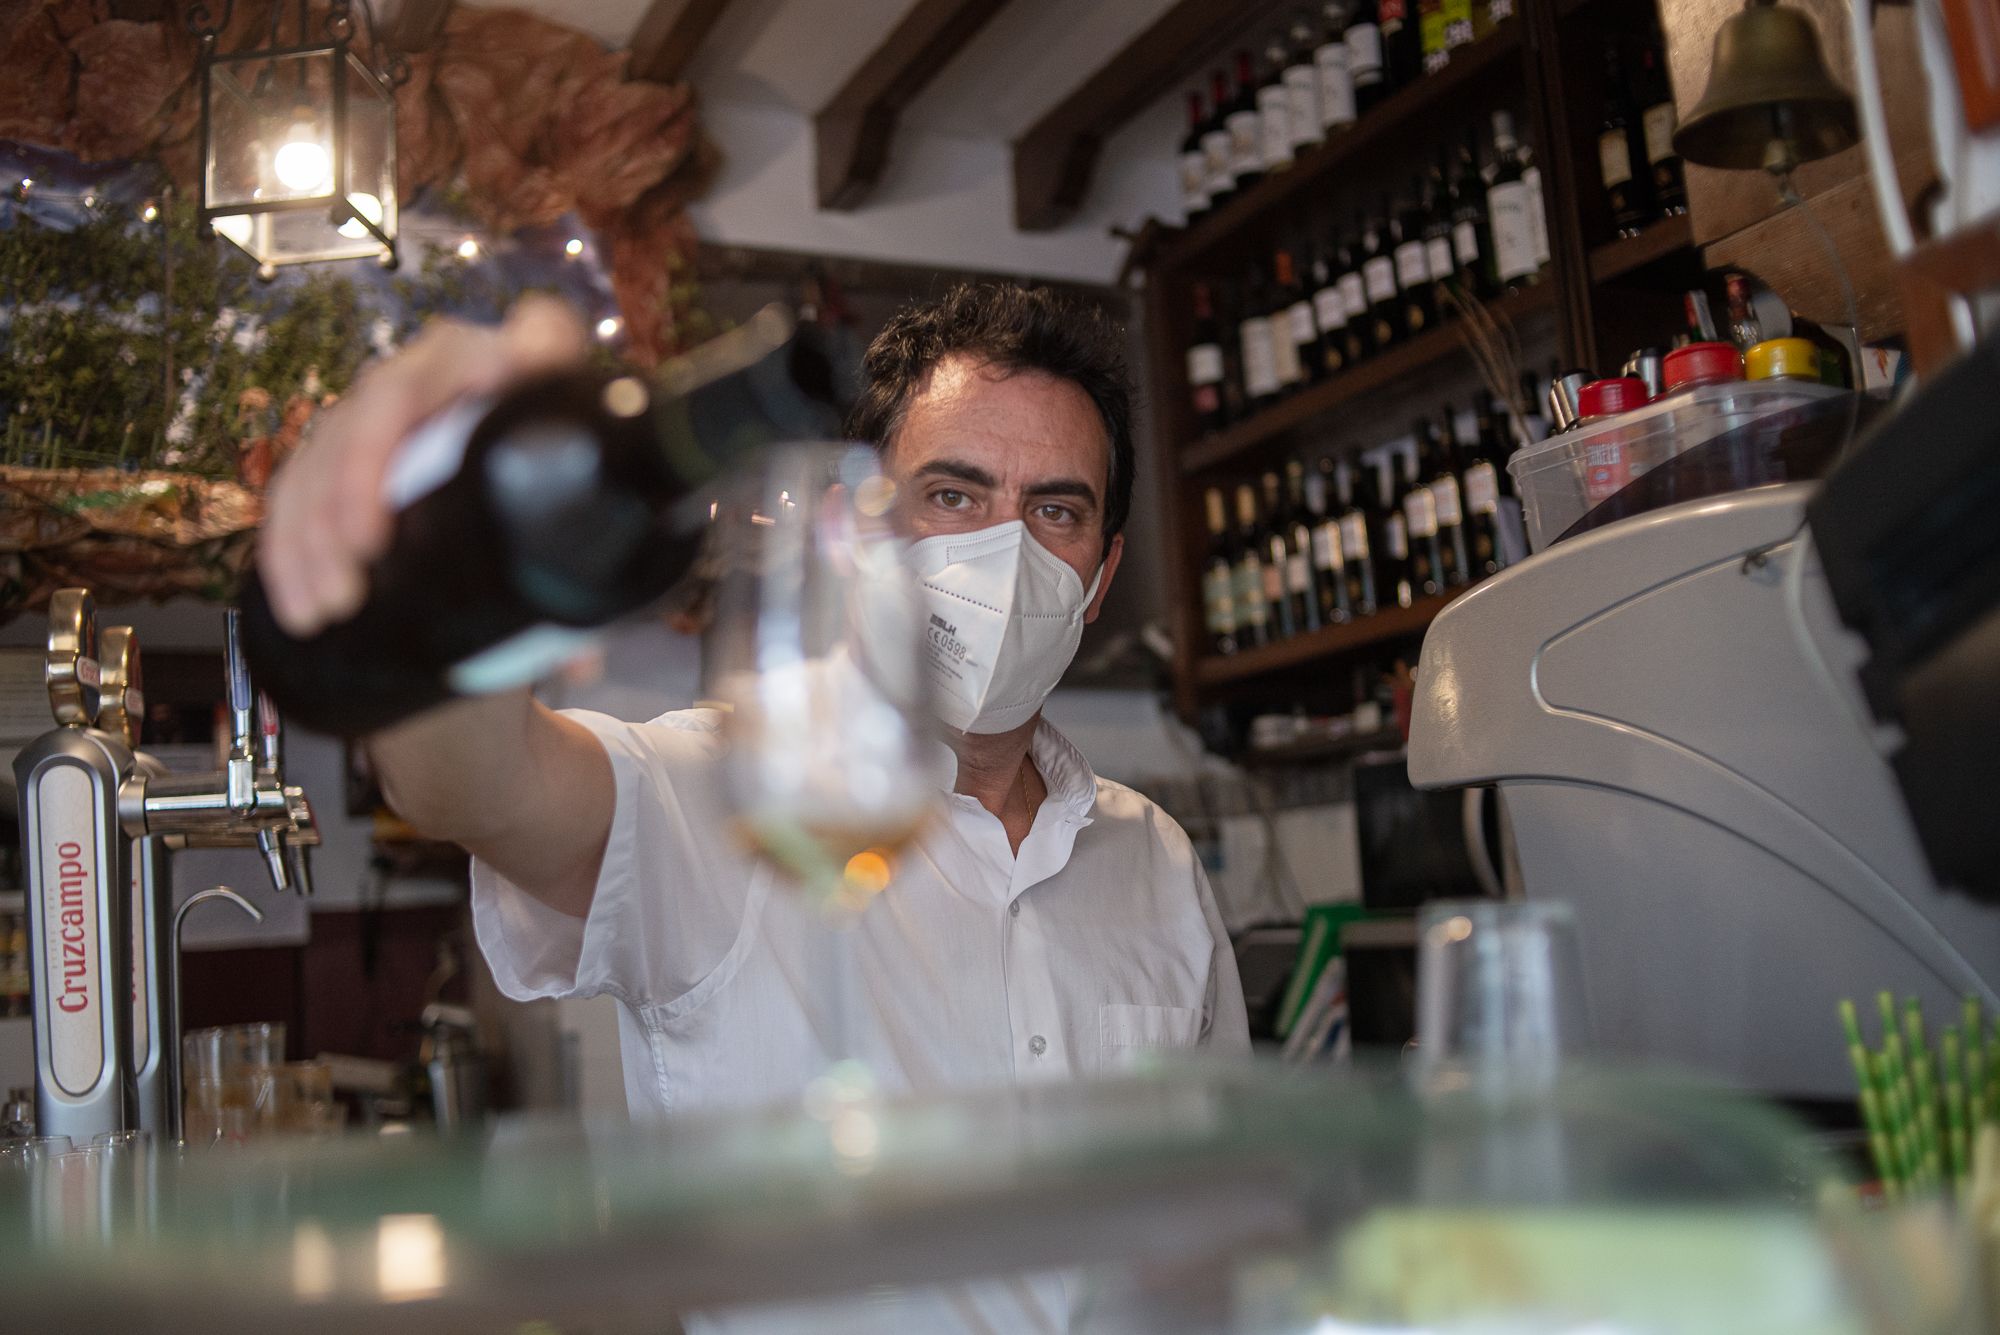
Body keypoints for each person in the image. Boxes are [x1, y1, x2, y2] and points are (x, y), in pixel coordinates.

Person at [259, 279, 1248, 1110]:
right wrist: (442, 537)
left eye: (1055, 508)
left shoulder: (1155, 859)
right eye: (953, 495)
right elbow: (466, 788)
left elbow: (1227, 1203)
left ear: (1102, 574)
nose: (1008, 547)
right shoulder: (722, 794)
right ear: (846, 537)